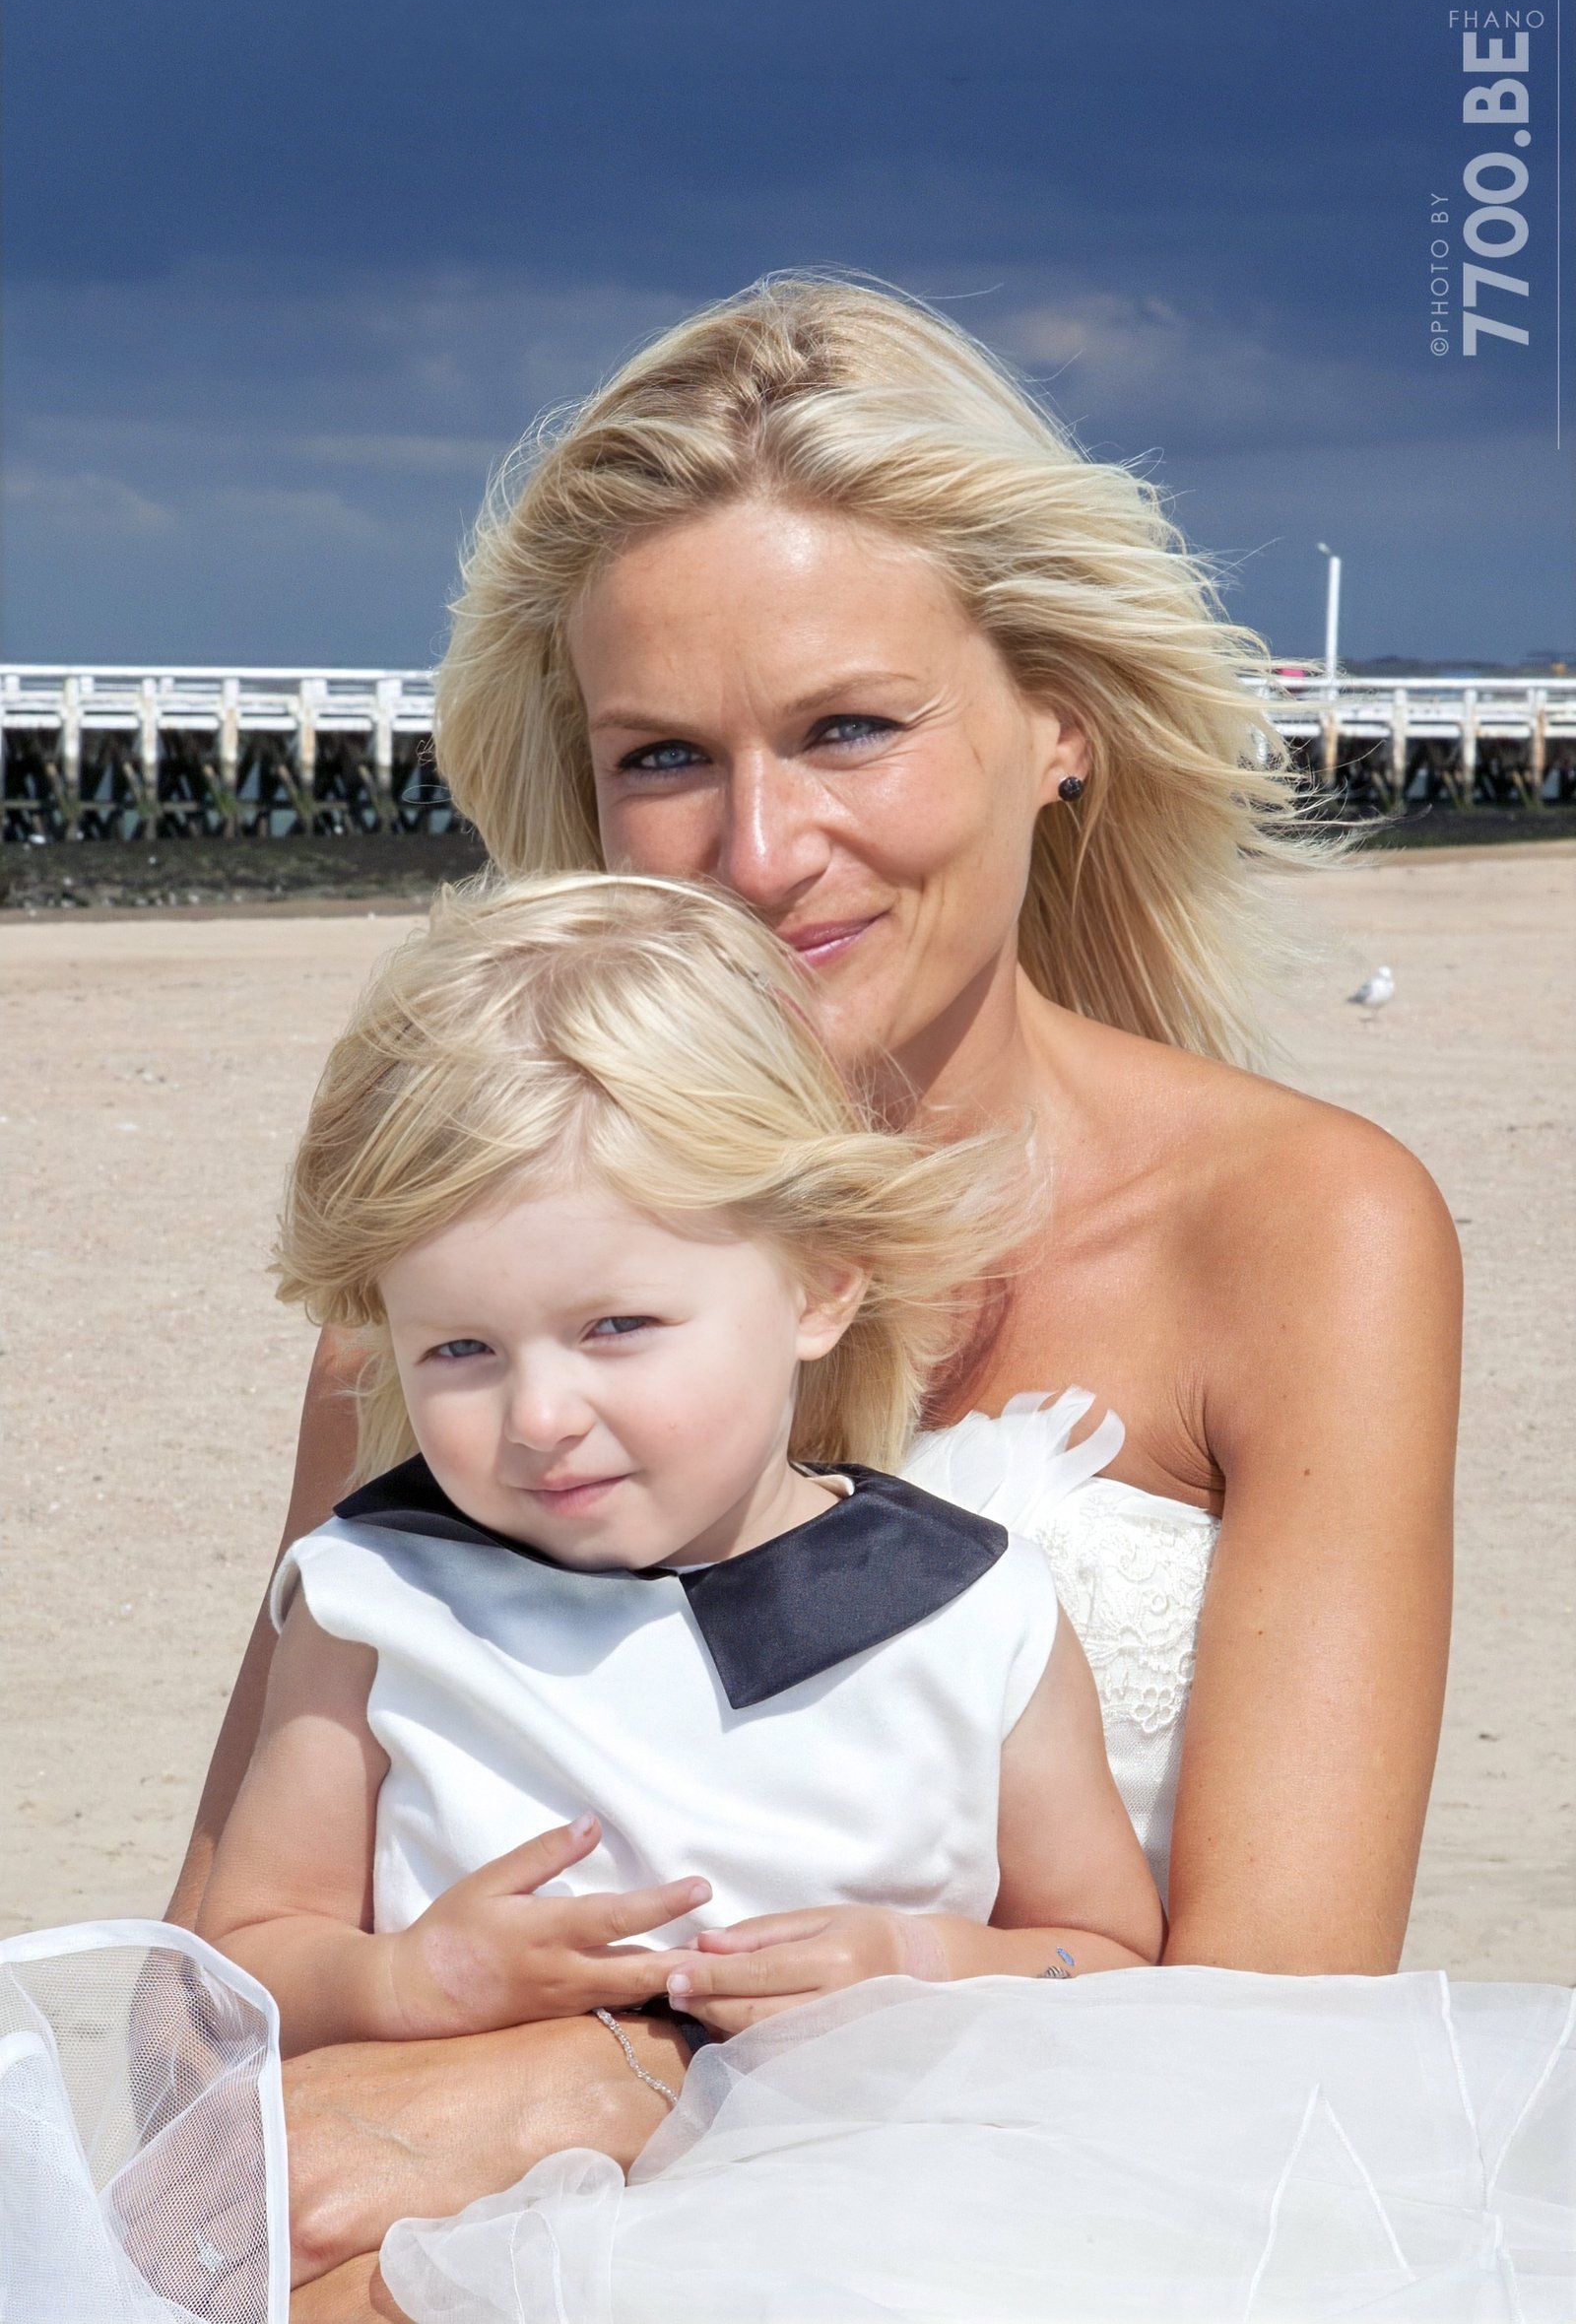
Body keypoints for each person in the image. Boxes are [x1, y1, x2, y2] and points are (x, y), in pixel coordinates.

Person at [167, 278, 1465, 2311]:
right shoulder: (465, 1273)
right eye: (663, 757)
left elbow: (1272, 2043)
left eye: (849, 728)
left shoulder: (1301, 1229)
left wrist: (616, 2074)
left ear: (1059, 722)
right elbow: (207, 2024)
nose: (759, 852)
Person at [195, 872, 1161, 2089]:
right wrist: (408, 1980)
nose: (539, 1416)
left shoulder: (965, 1608)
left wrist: (917, 1958)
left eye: (616, 1328)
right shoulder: (378, 1599)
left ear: (818, 1286)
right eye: (460, 1349)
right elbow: (241, 1961)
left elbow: (1107, 1954)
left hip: (879, 2173)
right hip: (468, 2177)